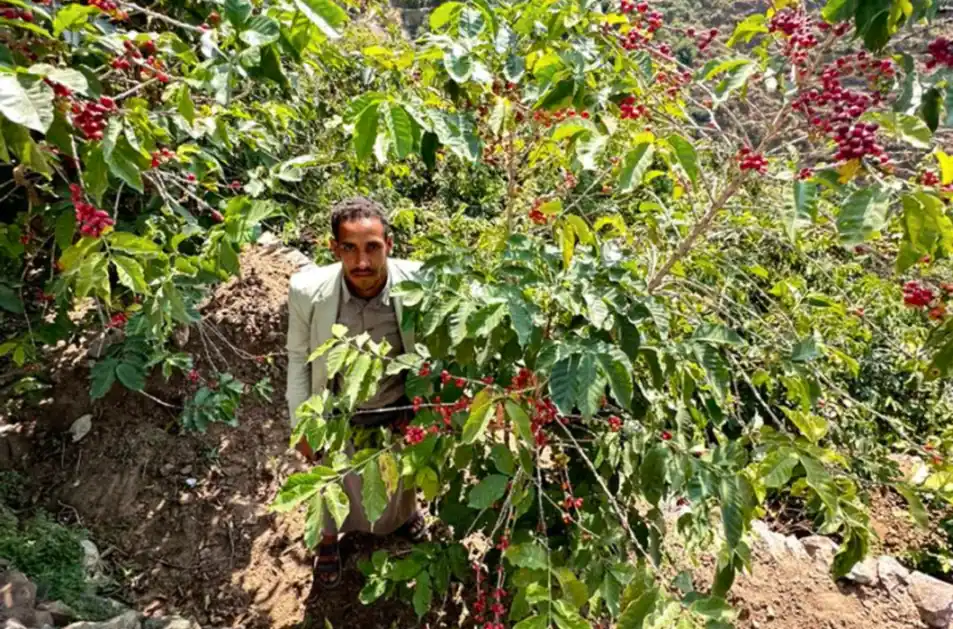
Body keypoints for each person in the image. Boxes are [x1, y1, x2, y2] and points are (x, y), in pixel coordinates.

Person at [285, 197, 426, 589]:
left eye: (372, 247)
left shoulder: (420, 284)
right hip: (337, 412)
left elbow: (434, 352)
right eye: (349, 248)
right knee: (332, 480)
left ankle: (404, 516)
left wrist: (425, 411)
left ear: (389, 245)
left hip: (397, 409)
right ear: (334, 248)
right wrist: (301, 426)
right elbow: (298, 359)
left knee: (398, 479)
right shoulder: (307, 291)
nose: (362, 261)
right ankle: (328, 540)